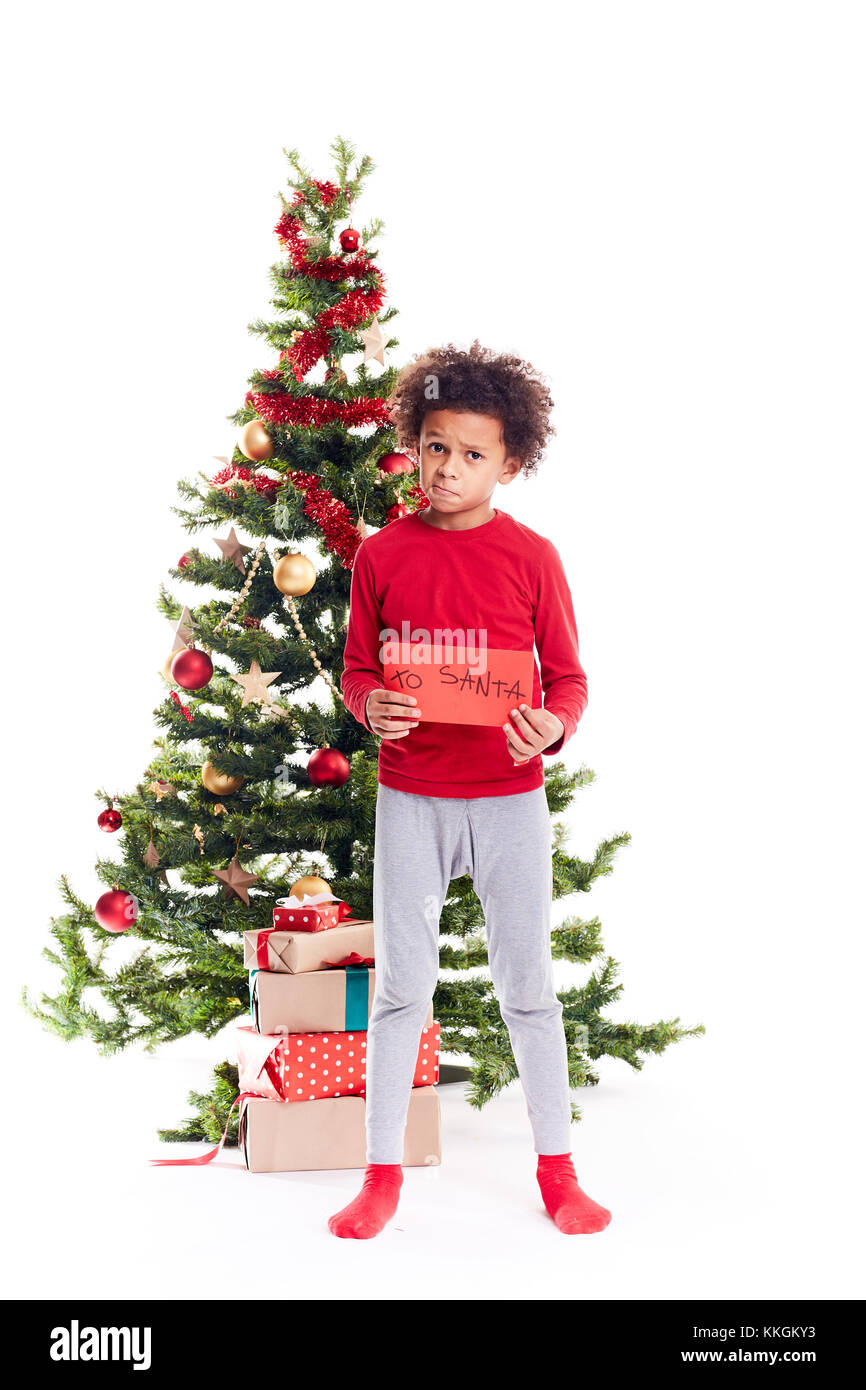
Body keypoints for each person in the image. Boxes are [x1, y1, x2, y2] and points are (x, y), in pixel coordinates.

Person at [330, 340, 612, 1239]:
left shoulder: (533, 558)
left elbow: (566, 679)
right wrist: (372, 703)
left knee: (528, 989)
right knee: (402, 994)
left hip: (508, 798)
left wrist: (553, 726)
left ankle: (559, 1172)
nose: (448, 468)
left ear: (513, 462)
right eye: (436, 447)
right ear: (414, 442)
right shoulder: (382, 555)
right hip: (412, 794)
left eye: (474, 454)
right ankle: (381, 1174)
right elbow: (357, 668)